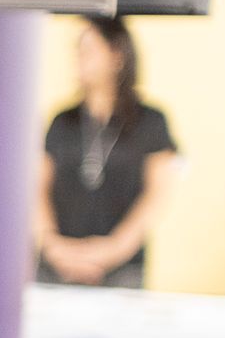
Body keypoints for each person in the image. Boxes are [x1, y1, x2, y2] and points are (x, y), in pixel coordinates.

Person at [36, 16, 178, 288]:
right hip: (56, 266)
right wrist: (53, 245)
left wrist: (112, 250)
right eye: (78, 50)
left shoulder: (150, 122)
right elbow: (37, 187)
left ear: (117, 57)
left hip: (120, 271)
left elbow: (157, 196)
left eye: (88, 50)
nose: (79, 58)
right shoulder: (62, 120)